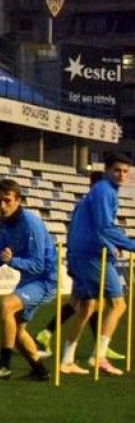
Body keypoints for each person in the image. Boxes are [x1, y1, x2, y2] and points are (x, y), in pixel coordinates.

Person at [60, 153, 135, 376]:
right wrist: (130, 245)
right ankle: (98, 356)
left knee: (86, 307)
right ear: (107, 170)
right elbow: (104, 227)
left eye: (125, 171)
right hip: (91, 255)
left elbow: (97, 227)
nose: (121, 175)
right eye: (117, 170)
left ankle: (67, 359)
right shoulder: (104, 191)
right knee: (118, 305)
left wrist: (113, 245)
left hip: (82, 252)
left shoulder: (101, 192)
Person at [34, 171, 121, 361]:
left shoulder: (88, 205)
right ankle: (52, 336)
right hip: (86, 259)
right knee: (86, 303)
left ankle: (49, 334)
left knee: (85, 303)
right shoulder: (90, 206)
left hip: (81, 257)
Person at [0, 180, 56, 381]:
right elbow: (2, 253)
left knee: (6, 306)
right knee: (17, 331)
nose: (2, 206)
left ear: (18, 200)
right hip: (29, 280)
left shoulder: (32, 223)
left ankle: (4, 365)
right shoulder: (4, 221)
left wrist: (12, 261)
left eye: (7, 201)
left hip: (45, 280)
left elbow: (38, 265)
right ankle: (40, 371)